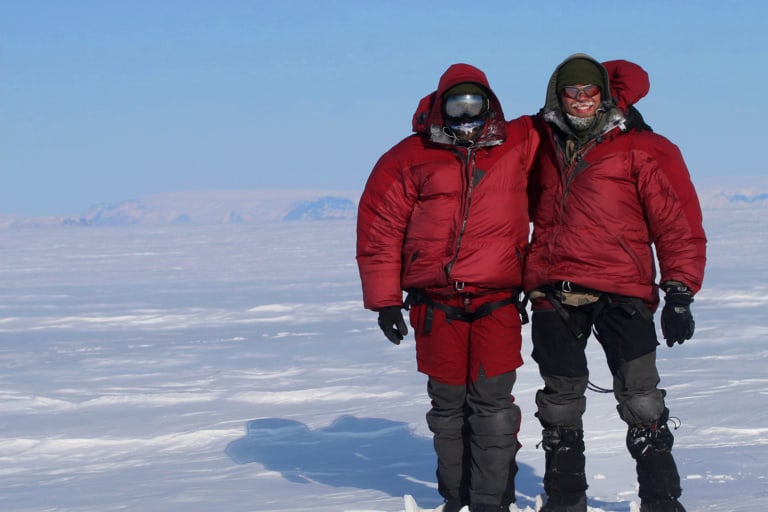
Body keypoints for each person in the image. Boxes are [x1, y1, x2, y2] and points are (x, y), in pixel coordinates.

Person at [524, 54, 707, 512]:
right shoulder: (540, 142)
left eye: (590, 93)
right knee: (559, 403)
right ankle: (565, 501)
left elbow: (676, 222)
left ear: (604, 95)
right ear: (556, 96)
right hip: (556, 290)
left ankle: (662, 501)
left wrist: (680, 291)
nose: (582, 102)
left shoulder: (642, 147)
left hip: (623, 290)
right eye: (572, 93)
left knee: (642, 399)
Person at [356, 63, 539, 512]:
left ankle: (492, 502)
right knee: (448, 408)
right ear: (441, 106)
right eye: (456, 103)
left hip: (496, 301)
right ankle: (456, 498)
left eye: (475, 102)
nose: (466, 112)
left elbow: (581, 100)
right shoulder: (407, 157)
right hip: (435, 305)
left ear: (490, 104)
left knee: (494, 407)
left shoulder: (517, 143)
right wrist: (384, 301)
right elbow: (380, 228)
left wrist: (626, 114)